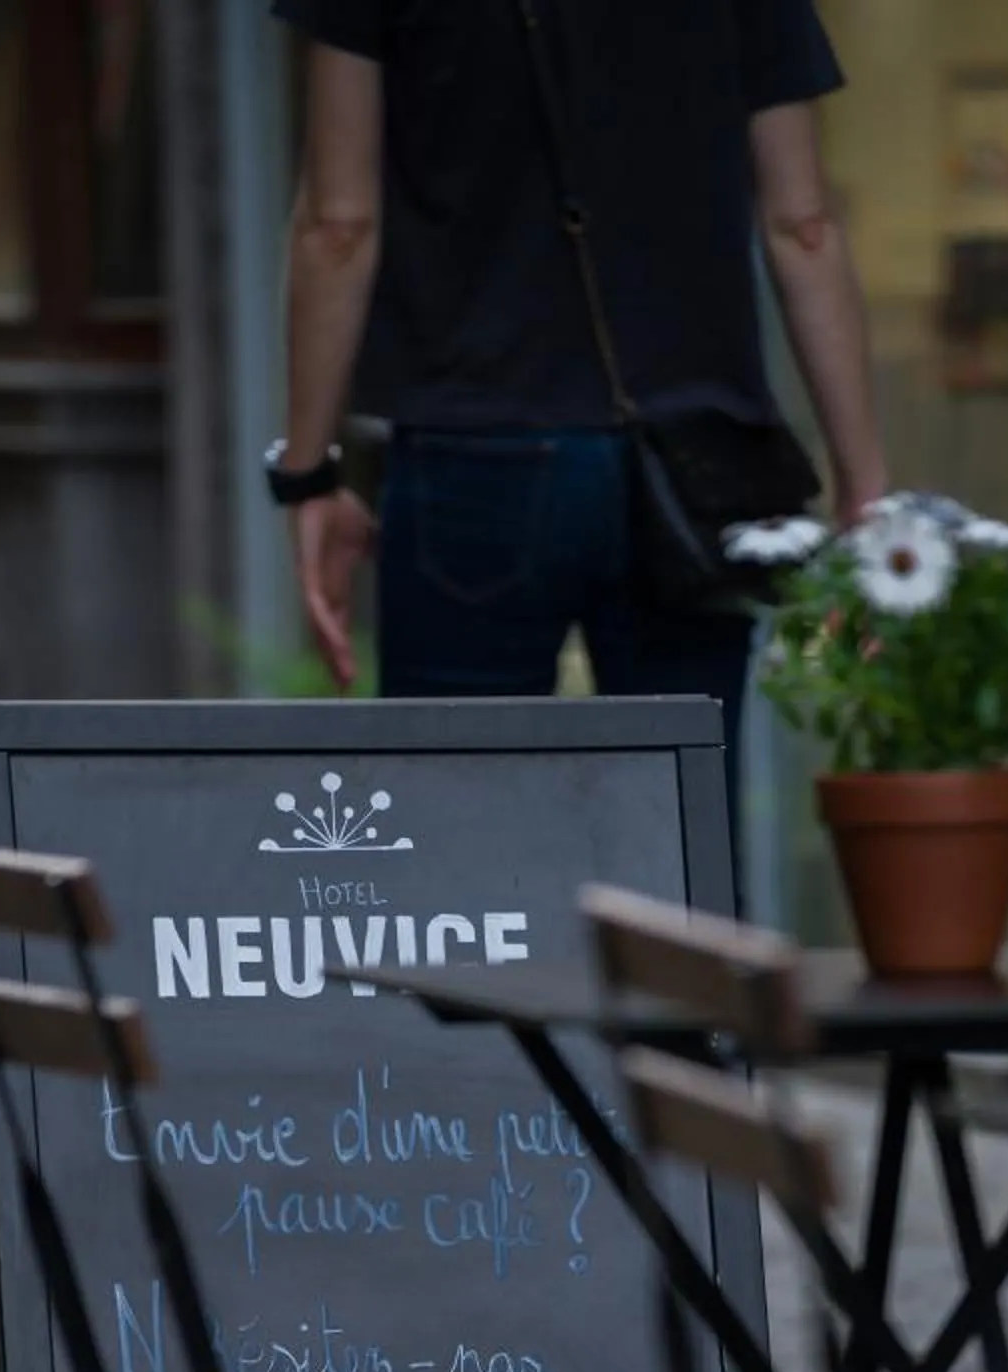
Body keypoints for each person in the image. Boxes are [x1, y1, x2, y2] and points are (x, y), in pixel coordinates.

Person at [267, 0, 887, 823]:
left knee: (455, 850)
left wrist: (308, 472)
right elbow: (802, 225)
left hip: (475, 450)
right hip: (693, 471)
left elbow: (338, 225)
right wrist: (865, 487)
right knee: (680, 849)